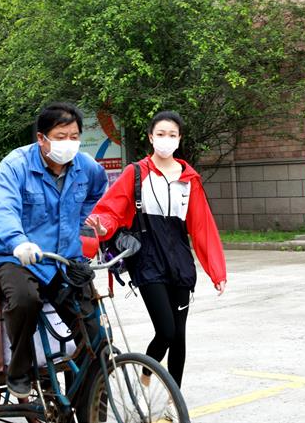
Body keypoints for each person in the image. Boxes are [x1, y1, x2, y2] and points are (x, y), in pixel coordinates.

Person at [86, 110, 227, 420]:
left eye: (172, 135)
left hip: (180, 263)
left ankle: (171, 404)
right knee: (165, 331)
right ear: (151, 137)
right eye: (160, 134)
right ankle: (147, 374)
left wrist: (216, 270)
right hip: (148, 261)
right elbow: (111, 210)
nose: (166, 139)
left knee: (179, 336)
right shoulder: (136, 173)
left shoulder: (189, 179)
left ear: (179, 139)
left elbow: (202, 226)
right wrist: (101, 225)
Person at [0, 102, 108, 399]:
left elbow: (98, 192)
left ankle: (89, 404)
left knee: (96, 335)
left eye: (74, 136)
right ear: (41, 138)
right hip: (18, 257)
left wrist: (83, 222)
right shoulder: (15, 165)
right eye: (60, 136)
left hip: (65, 258)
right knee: (25, 301)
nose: (69, 143)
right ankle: (19, 369)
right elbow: (4, 209)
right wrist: (18, 241)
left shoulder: (86, 167)